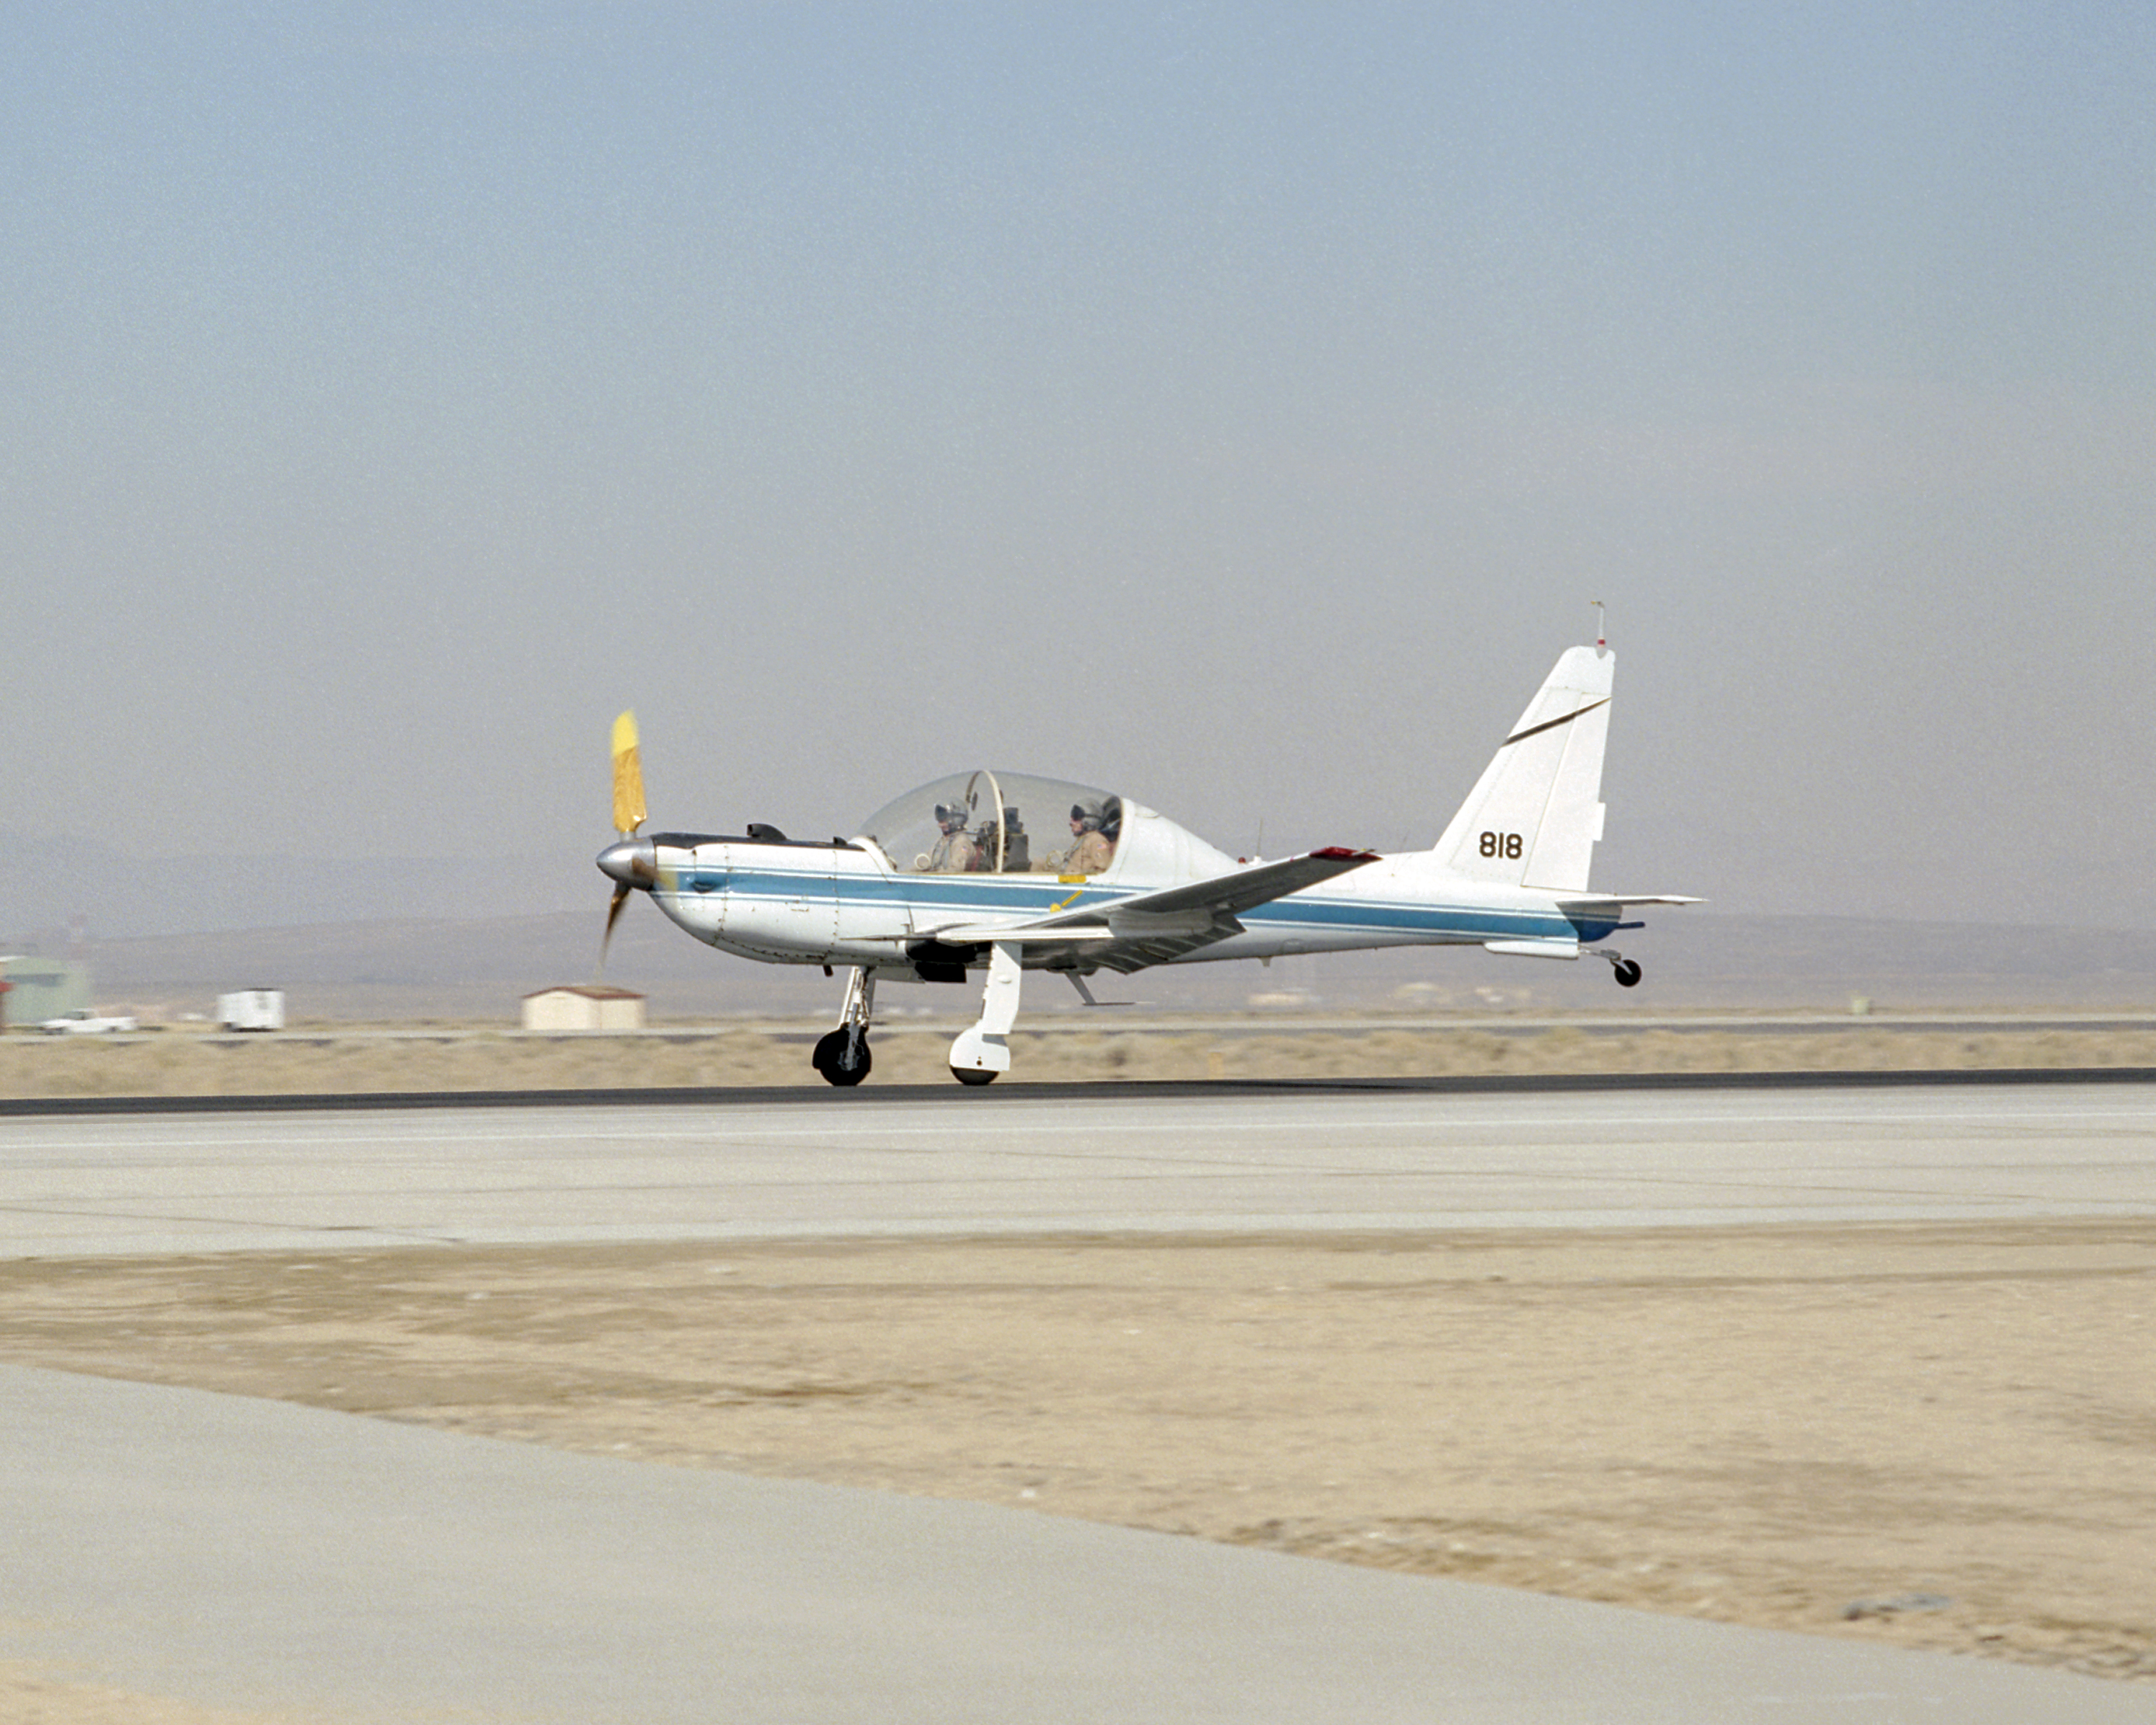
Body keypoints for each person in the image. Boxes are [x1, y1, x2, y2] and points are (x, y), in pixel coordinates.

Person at [1056, 800, 1115, 875]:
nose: (1071, 823)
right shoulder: (1083, 840)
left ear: (1089, 820)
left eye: (1076, 817)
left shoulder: (1097, 841)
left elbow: (1101, 874)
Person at [924, 804, 981, 873]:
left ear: (956, 820)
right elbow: (927, 861)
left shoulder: (961, 841)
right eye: (940, 821)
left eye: (944, 821)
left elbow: (956, 869)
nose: (940, 825)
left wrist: (935, 874)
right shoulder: (941, 841)